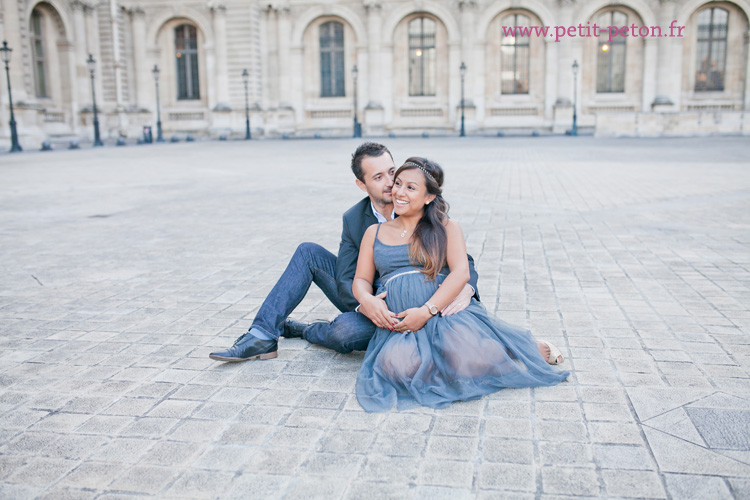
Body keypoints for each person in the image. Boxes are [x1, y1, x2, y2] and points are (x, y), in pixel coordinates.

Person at [209, 143, 480, 362]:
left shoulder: (421, 203)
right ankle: (261, 335)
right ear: (361, 185)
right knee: (309, 254)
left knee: (348, 333)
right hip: (375, 302)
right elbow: (347, 278)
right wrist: (368, 304)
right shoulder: (355, 220)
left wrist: (468, 288)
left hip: (423, 301)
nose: (390, 183)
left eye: (391, 172)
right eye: (378, 177)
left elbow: (459, 261)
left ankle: (304, 330)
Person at [353, 157, 569, 412]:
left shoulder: (446, 227)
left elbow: (460, 272)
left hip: (443, 314)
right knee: (396, 368)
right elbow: (361, 279)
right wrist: (366, 301)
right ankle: (448, 357)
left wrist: (426, 311)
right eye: (398, 183)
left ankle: (522, 350)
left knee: (465, 363)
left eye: (411, 188)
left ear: (429, 197)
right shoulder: (374, 232)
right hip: (400, 323)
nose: (399, 192)